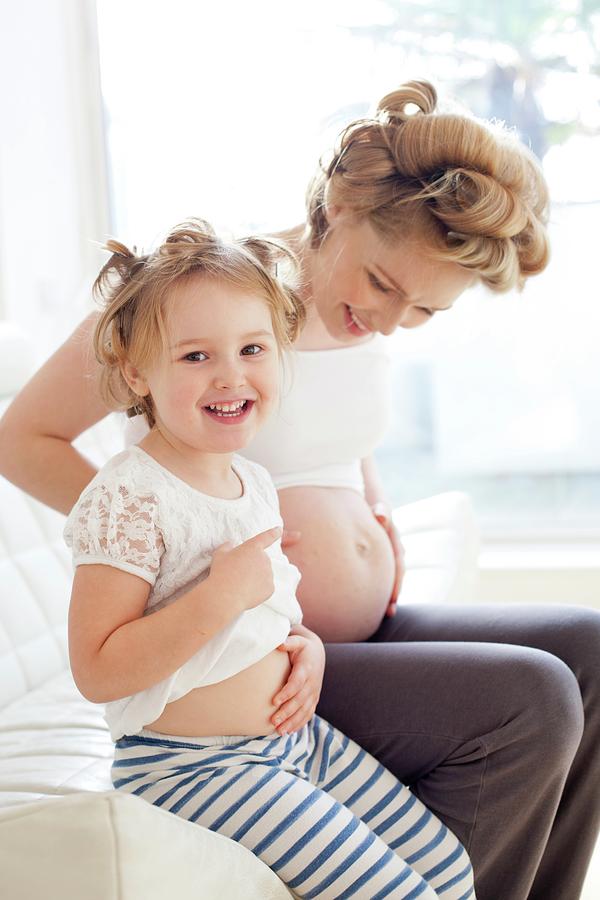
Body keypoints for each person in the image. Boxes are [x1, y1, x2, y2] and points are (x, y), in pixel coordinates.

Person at [0, 79, 597, 899]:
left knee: (588, 645)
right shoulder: (204, 306)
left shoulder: (365, 315)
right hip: (248, 657)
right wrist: (171, 552)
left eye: (424, 309)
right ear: (341, 208)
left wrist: (374, 510)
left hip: (325, 628)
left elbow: (335, 431)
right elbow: (23, 439)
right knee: (532, 697)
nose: (389, 319)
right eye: (384, 286)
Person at [63, 219, 475, 899]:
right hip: (191, 767)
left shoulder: (249, 480)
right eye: (196, 356)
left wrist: (303, 646)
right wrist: (218, 595)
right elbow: (98, 670)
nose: (231, 375)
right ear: (137, 371)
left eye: (252, 348)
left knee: (448, 871)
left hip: (290, 741)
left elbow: (267, 611)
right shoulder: (128, 494)